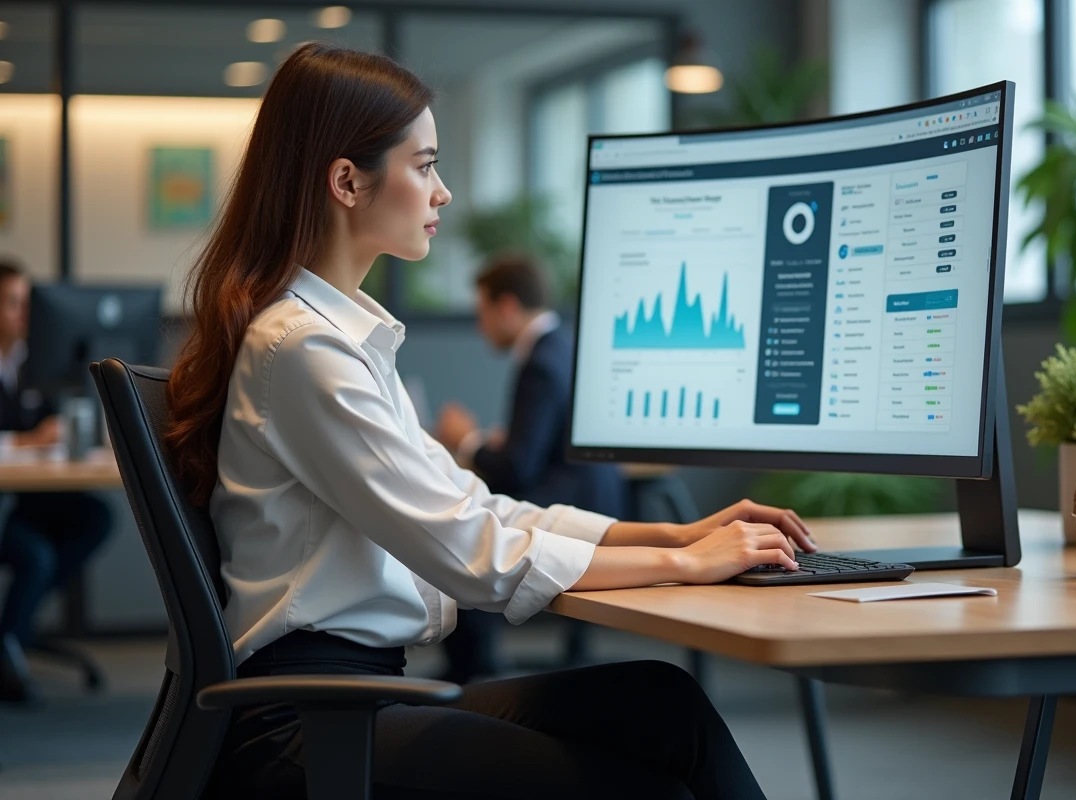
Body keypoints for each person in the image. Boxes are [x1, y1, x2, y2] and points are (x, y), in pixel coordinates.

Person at [166, 43, 815, 800]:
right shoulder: (303, 350)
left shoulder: (344, 340)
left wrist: (674, 534)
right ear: (347, 181)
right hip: (310, 723)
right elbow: (475, 556)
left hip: (358, 699)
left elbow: (480, 505)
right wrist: (685, 566)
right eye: (425, 165)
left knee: (668, 708)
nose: (443, 194)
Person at [435, 253, 627, 683]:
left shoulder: (540, 361)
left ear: (506, 308)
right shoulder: (564, 344)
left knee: (459, 553)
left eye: (482, 311)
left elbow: (516, 470)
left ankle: (472, 683)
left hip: (570, 499)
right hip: (599, 493)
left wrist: (466, 438)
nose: (479, 324)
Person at [0, 259, 113, 704]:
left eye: (29, 303)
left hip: (26, 497)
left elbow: (50, 426)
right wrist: (29, 441)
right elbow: (25, 436)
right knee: (37, 555)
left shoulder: (36, 364)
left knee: (95, 517)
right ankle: (12, 638)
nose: (24, 314)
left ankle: (12, 631)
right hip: (5, 504)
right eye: (12, 303)